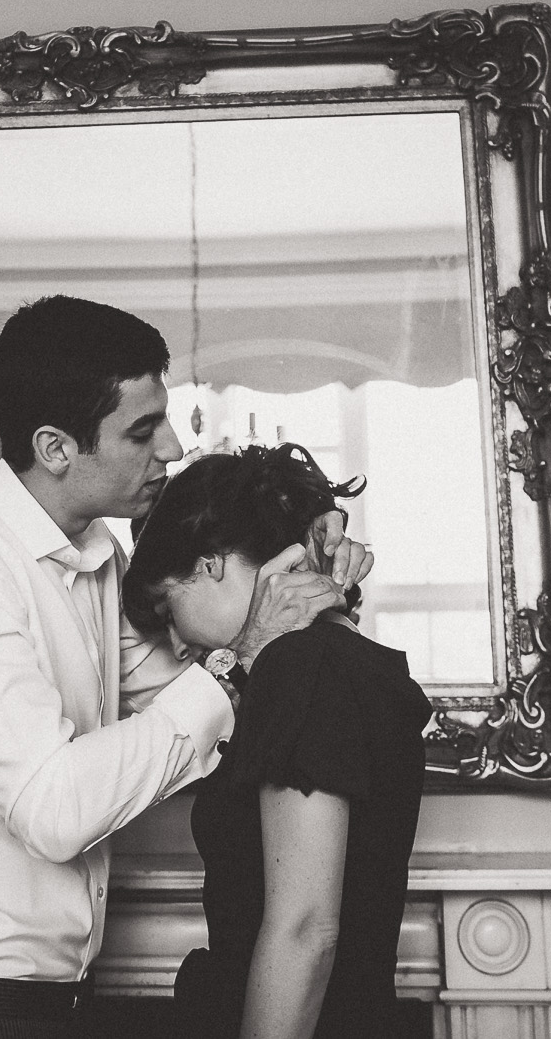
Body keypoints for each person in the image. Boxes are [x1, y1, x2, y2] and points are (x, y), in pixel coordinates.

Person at [0, 296, 368, 1038]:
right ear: (57, 447)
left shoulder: (100, 562)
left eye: (165, 418)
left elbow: (219, 714)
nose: (170, 448)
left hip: (56, 1005)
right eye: (141, 429)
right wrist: (239, 659)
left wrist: (316, 571)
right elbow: (52, 809)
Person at [123, 444, 432, 1039]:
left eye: (168, 608)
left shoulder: (302, 667)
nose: (177, 642)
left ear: (210, 564)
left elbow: (306, 929)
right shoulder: (335, 663)